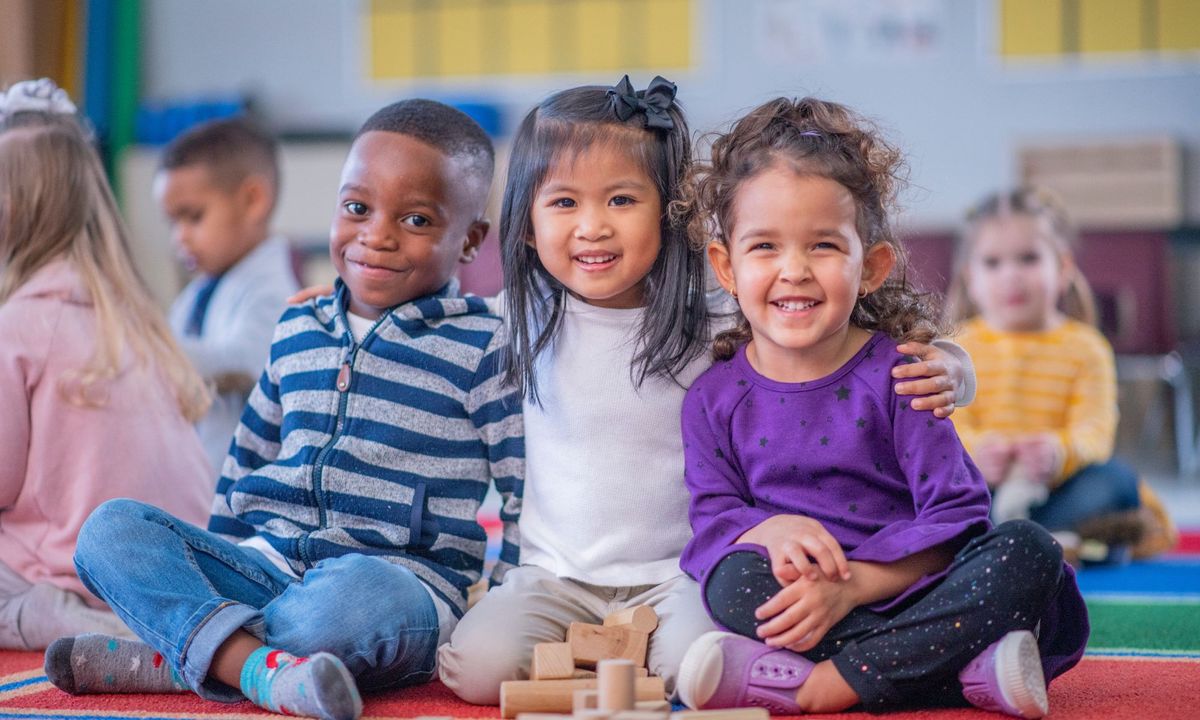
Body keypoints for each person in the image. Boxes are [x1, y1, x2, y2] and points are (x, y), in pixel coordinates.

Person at [437, 76, 974, 704]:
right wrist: (350, 304)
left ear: (670, 215)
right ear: (526, 225)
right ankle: (596, 653)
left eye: (620, 200)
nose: (593, 227)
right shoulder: (521, 317)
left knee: (698, 673)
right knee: (476, 672)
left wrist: (952, 367)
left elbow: (845, 332)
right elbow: (428, 320)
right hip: (553, 576)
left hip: (685, 572)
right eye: (563, 204)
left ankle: (624, 660)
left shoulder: (717, 312)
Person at [43, 99, 522, 720]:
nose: (376, 235)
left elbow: (521, 488)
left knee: (345, 608)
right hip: (269, 564)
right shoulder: (297, 324)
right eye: (357, 208)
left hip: (399, 583)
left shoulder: (483, 343)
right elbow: (248, 456)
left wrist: (505, 599)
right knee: (110, 530)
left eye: (416, 219)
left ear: (470, 241)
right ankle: (250, 662)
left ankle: (180, 655)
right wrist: (216, 563)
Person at [672, 98, 1088, 719]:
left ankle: (824, 684)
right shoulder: (711, 398)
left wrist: (857, 585)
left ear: (871, 266)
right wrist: (766, 529)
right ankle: (961, 672)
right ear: (726, 267)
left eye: (822, 246)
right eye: (764, 247)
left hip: (921, 590)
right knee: (732, 584)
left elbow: (960, 516)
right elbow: (713, 520)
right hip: (813, 603)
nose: (794, 271)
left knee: (1031, 551)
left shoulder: (904, 377)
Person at [0, 79, 213, 650]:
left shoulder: (18, 325)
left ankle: (54, 620)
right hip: (177, 575)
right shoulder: (138, 320)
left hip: (73, 580)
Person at [946, 187, 1175, 563]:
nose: (1012, 276)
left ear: (1063, 268)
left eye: (1029, 259)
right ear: (971, 276)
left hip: (1058, 490)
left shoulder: (1087, 347)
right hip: (982, 488)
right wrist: (975, 454)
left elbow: (1095, 433)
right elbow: (946, 428)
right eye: (993, 263)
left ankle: (1010, 543)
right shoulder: (957, 346)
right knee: (933, 491)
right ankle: (1052, 544)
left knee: (1116, 482)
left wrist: (1058, 453)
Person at [157, 117, 301, 477]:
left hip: (240, 500)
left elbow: (241, 362)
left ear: (253, 201)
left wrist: (145, 342)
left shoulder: (274, 290)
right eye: (173, 223)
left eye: (193, 217)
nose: (180, 237)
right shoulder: (198, 292)